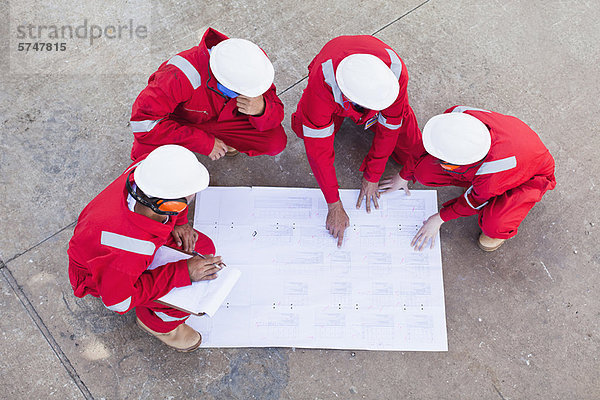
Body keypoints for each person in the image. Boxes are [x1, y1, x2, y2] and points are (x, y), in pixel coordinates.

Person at [68, 145, 223, 352]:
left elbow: (171, 205)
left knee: (202, 248)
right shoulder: (126, 251)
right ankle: (159, 325)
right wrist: (182, 273)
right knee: (189, 292)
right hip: (103, 275)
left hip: (136, 245)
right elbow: (118, 302)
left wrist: (180, 223)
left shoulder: (145, 171)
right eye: (189, 196)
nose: (193, 196)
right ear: (171, 206)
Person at [291, 35, 424, 247]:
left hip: (371, 97)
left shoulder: (396, 75)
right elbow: (319, 152)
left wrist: (373, 175)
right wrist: (333, 204)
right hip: (331, 92)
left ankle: (365, 115)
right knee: (303, 129)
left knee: (410, 153)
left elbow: (390, 127)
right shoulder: (324, 83)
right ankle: (347, 115)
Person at [381, 106, 556, 252]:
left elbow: (474, 201)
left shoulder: (491, 176)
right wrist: (404, 175)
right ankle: (473, 184)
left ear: (462, 163)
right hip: (509, 156)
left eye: (445, 163)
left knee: (494, 223)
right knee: (424, 172)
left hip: (530, 177)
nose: (439, 162)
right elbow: (428, 145)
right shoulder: (456, 118)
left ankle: (501, 222)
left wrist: (439, 218)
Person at [129, 27, 287, 161]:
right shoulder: (177, 76)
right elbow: (144, 124)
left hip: (221, 118)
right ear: (224, 82)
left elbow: (276, 113)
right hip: (178, 121)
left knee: (274, 142)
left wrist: (262, 109)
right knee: (145, 161)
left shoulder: (250, 67)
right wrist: (204, 143)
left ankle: (224, 141)